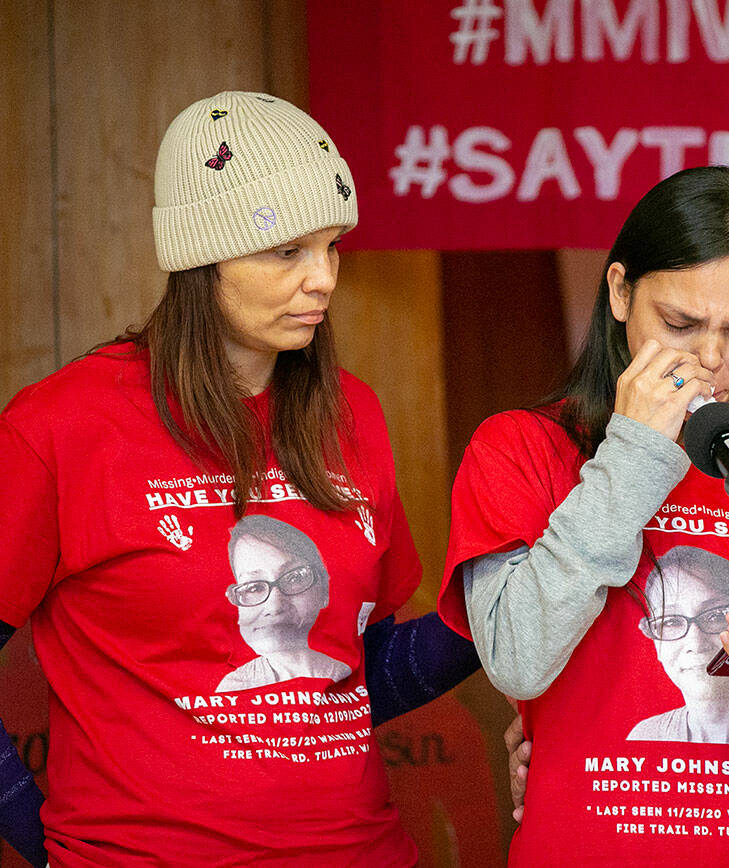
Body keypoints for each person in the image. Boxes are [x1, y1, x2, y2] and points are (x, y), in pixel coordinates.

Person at [0, 91, 480, 866]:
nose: (323, 278)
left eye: (332, 246)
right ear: (202, 255)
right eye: (287, 251)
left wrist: (513, 605)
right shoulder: (59, 427)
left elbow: (364, 679)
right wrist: (45, 842)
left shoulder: (351, 411)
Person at [438, 166, 729, 865]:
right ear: (621, 293)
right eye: (681, 324)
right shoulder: (524, 449)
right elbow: (518, 662)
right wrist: (632, 459)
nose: (711, 359)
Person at [627, 545, 729, 746]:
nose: (695, 643)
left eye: (714, 616)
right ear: (654, 641)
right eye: (670, 622)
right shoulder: (645, 737)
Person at [218, 515, 352, 692]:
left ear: (324, 588)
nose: (275, 607)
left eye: (294, 578)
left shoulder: (341, 673)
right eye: (253, 588)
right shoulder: (234, 687)